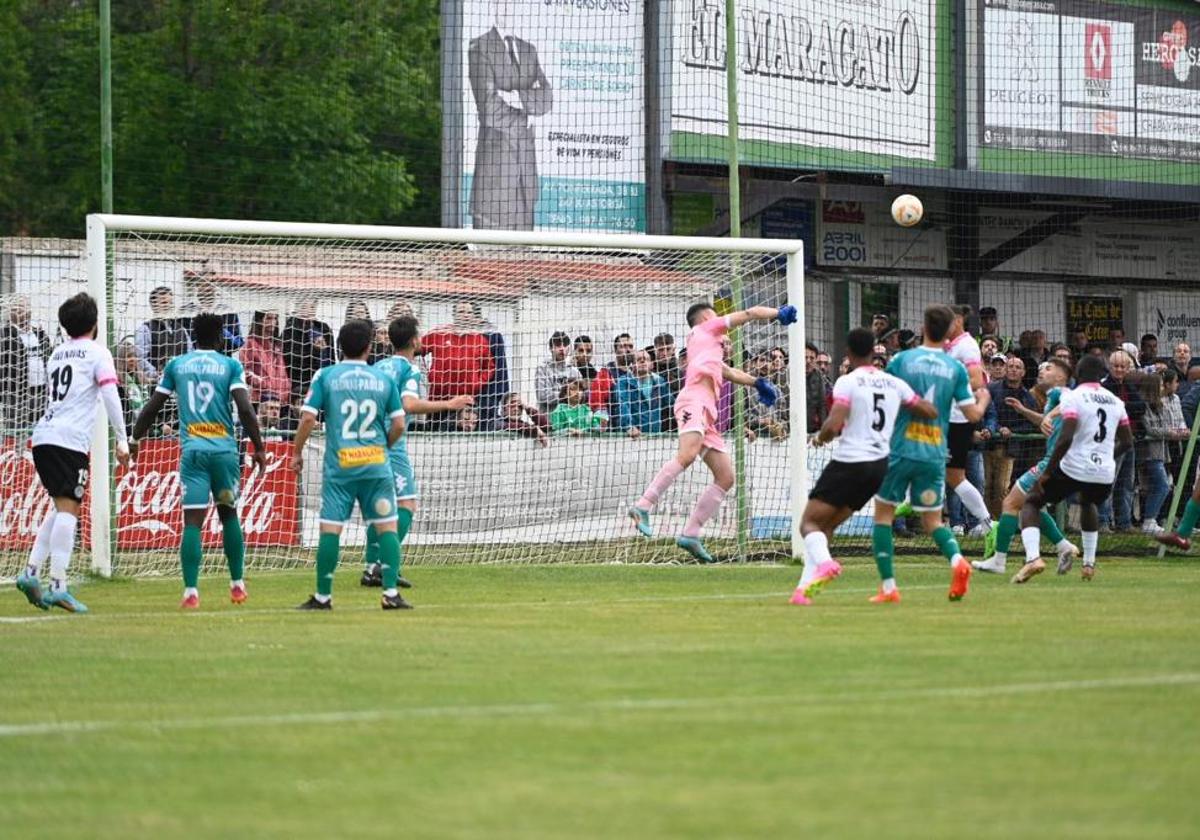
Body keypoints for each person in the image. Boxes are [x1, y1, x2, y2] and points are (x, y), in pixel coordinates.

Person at [627, 300, 794, 563]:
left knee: (726, 476)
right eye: (717, 317)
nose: (724, 329)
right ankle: (642, 506)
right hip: (693, 401)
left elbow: (727, 371)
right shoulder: (706, 329)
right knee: (687, 456)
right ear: (707, 317)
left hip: (708, 412)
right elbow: (749, 313)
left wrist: (757, 383)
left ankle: (691, 533)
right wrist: (778, 314)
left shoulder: (706, 349)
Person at [789, 327, 936, 605]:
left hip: (850, 461)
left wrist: (821, 438)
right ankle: (803, 591)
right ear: (873, 351)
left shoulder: (848, 382)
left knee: (808, 524)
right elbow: (927, 410)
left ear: (849, 351)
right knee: (826, 528)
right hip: (878, 467)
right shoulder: (894, 383)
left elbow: (833, 424)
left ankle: (825, 564)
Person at [130, 313, 267, 609]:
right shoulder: (231, 365)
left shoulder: (177, 365)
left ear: (194, 336)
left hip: (193, 453)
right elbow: (245, 408)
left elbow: (154, 406)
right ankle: (237, 585)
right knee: (229, 514)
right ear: (219, 338)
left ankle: (191, 591)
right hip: (224, 454)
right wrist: (259, 446)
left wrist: (134, 438)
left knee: (192, 522)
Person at [14, 293, 131, 613]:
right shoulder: (97, 353)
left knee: (61, 506)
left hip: (43, 437)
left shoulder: (56, 354)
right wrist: (122, 439)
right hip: (69, 441)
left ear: (65, 326)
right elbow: (110, 395)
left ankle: (31, 572)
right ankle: (58, 585)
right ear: (95, 323)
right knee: (69, 510)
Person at [871, 305, 990, 603]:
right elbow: (973, 414)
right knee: (933, 522)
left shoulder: (901, 360)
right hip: (935, 453)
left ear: (924, 327)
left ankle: (888, 588)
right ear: (950, 327)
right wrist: (986, 396)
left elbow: (887, 400)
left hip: (902, 450)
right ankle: (958, 562)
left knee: (883, 516)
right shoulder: (956, 369)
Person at [291, 319, 407, 611]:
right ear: (369, 347)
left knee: (331, 529)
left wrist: (296, 453)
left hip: (341, 468)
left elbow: (307, 418)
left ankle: (323, 596)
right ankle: (390, 594)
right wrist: (385, 447)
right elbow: (399, 423)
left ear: (339, 346)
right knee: (387, 528)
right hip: (376, 467)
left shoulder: (326, 375)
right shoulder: (384, 380)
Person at [360, 316, 475, 590]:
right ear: (414, 340)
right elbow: (409, 405)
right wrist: (450, 404)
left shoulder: (377, 366)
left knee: (381, 508)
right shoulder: (408, 369)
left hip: (367, 441)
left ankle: (371, 567)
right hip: (391, 443)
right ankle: (381, 565)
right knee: (407, 505)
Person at [1012, 355, 1133, 583]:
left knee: (1032, 501)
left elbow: (1065, 436)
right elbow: (1127, 442)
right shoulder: (1116, 402)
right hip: (1104, 471)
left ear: (1077, 373)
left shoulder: (1074, 397)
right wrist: (1107, 456)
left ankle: (1033, 558)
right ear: (1103, 375)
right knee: (1089, 502)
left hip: (1074, 466)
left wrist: (1048, 471)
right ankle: (1088, 563)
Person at [973, 359, 1079, 575]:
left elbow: (1070, 402)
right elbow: (1045, 420)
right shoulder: (1051, 396)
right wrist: (1023, 411)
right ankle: (1063, 546)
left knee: (1010, 503)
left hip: (1052, 462)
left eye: (1048, 368)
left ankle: (1000, 560)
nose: (1042, 370)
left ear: (1061, 377)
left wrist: (1051, 414)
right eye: (1041, 367)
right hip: (1061, 463)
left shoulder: (1063, 392)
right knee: (1032, 506)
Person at [467, 0, 552, 230]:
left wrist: (514, 97)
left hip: (525, 177)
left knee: (525, 262)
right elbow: (489, 110)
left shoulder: (528, 51)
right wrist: (527, 109)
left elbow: (546, 99)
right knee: (489, 262)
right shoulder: (479, 47)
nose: (509, 8)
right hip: (495, 178)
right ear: (494, 6)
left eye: (514, 3)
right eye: (503, 3)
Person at [943, 305, 996, 548]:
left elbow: (976, 380)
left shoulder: (967, 345)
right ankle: (987, 524)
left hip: (957, 418)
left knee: (953, 475)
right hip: (945, 417)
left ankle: (986, 523)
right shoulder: (948, 345)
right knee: (953, 476)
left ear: (958, 320)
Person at [423, 302, 496, 428]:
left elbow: (489, 367)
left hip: (466, 401)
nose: (465, 316)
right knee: (435, 432)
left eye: (469, 312)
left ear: (473, 316)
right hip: (439, 398)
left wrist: (476, 383)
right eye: (461, 312)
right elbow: (418, 350)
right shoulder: (439, 333)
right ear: (454, 314)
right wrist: (429, 376)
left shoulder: (480, 340)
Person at [1099, 350, 1144, 532]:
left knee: (1126, 482)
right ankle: (1103, 521)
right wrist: (1123, 407)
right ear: (1109, 367)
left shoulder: (1129, 385)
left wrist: (1120, 405)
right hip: (1111, 441)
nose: (1118, 370)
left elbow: (1141, 407)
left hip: (1129, 439)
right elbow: (1108, 410)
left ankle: (1124, 522)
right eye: (1115, 366)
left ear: (1127, 368)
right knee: (1108, 481)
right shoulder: (1103, 386)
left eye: (1122, 366)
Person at [1138, 372, 1187, 534]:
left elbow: (1167, 425)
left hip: (1162, 452)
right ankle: (1149, 520)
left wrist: (1173, 431)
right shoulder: (1144, 406)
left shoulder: (1160, 405)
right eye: (1159, 385)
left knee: (1160, 485)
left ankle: (1152, 519)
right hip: (1150, 452)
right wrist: (1171, 432)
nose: (1162, 387)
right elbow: (1151, 429)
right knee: (1162, 485)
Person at [0, 294, 51, 433]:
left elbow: (49, 359)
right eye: (18, 307)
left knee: (40, 434)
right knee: (15, 436)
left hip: (41, 393)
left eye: (25, 306)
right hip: (15, 396)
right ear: (11, 312)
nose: (22, 310)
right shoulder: (4, 335)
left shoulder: (40, 335)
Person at [282, 297, 336, 409]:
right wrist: (315, 350)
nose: (309, 310)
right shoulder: (290, 329)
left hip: (323, 381)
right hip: (300, 384)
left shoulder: (323, 328)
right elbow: (291, 360)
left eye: (312, 307)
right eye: (305, 306)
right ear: (298, 308)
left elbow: (331, 357)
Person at [134, 286, 191, 379]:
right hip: (158, 384)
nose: (168, 305)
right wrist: (155, 374)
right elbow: (140, 357)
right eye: (164, 303)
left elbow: (190, 353)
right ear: (153, 306)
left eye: (171, 302)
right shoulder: (145, 329)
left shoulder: (182, 329)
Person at [181, 271, 242, 354]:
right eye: (204, 282)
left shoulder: (227, 311)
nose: (209, 286)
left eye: (212, 282)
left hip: (221, 362)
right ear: (197, 285)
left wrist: (220, 331)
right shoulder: (186, 312)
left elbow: (238, 343)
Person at [241, 311, 291, 407]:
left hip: (281, 401)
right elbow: (245, 372)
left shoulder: (277, 345)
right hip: (260, 399)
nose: (272, 322)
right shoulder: (250, 344)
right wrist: (265, 384)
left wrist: (286, 387)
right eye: (268, 318)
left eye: (275, 318)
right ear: (259, 320)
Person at [616, 349, 669, 439]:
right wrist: (628, 426)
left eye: (646, 359)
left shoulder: (659, 382)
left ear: (652, 365)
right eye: (639, 359)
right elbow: (622, 404)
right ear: (632, 365)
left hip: (655, 437)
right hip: (632, 436)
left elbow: (670, 403)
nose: (642, 361)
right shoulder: (624, 382)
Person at [588, 333, 635, 425]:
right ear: (615, 350)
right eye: (623, 346)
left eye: (630, 346)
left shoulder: (635, 374)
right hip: (613, 428)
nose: (628, 350)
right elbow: (597, 401)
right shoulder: (606, 373)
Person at [534, 330, 580, 414]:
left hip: (570, 421)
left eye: (565, 345)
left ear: (569, 348)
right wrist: (567, 395)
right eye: (558, 345)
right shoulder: (542, 369)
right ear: (551, 348)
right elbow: (542, 396)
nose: (562, 349)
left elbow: (580, 396)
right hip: (548, 421)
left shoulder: (574, 371)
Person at [654, 332, 682, 431]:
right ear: (655, 350)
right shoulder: (649, 374)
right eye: (661, 350)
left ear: (673, 349)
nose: (664, 353)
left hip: (678, 425)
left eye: (668, 349)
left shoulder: (682, 374)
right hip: (655, 424)